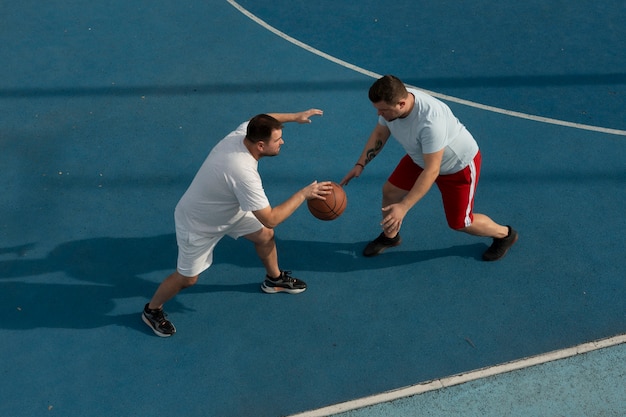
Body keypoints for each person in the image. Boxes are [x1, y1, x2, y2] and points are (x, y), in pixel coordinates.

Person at [143, 109, 331, 337]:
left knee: (265, 235)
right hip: (198, 223)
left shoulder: (243, 133)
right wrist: (303, 194)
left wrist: (295, 116)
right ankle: (152, 310)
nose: (283, 141)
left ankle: (274, 279)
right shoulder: (243, 173)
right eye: (277, 139)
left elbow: (260, 117)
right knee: (188, 279)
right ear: (260, 146)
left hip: (228, 208)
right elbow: (271, 217)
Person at [341, 75, 518, 261]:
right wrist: (360, 164)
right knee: (390, 191)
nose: (379, 114)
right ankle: (390, 237)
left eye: (383, 110)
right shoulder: (391, 108)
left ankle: (505, 234)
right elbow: (380, 132)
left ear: (401, 104)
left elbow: (432, 171)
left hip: (457, 167)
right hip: (422, 157)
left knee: (461, 223)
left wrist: (404, 207)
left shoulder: (430, 121)